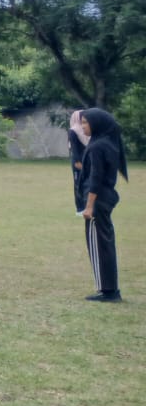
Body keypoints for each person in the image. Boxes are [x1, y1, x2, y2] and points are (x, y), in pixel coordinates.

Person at [78, 108, 126, 303]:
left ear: (96, 124)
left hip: (98, 202)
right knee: (105, 244)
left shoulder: (98, 146)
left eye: (85, 122)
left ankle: (107, 290)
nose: (82, 126)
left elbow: (96, 178)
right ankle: (109, 289)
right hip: (105, 199)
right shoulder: (107, 143)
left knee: (98, 245)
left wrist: (89, 206)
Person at [68, 110, 87, 215]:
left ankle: (89, 206)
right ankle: (80, 208)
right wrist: (78, 162)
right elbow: (74, 148)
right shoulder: (73, 131)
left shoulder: (87, 130)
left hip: (88, 161)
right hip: (78, 162)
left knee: (88, 183)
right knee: (78, 184)